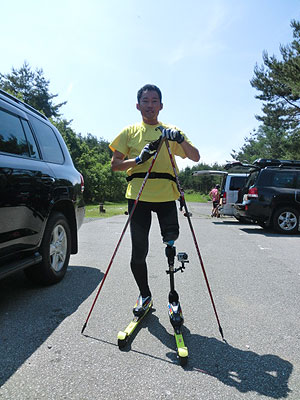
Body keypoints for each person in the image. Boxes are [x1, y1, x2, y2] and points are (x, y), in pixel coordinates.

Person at [109, 84, 200, 317]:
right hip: (138, 194)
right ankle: (145, 294)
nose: (150, 105)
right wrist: (138, 160)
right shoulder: (129, 132)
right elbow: (115, 165)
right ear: (138, 105)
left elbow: (195, 156)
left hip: (167, 195)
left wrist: (179, 139)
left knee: (170, 243)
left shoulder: (171, 130)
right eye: (145, 101)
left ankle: (173, 297)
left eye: (154, 101)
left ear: (161, 105)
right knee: (139, 251)